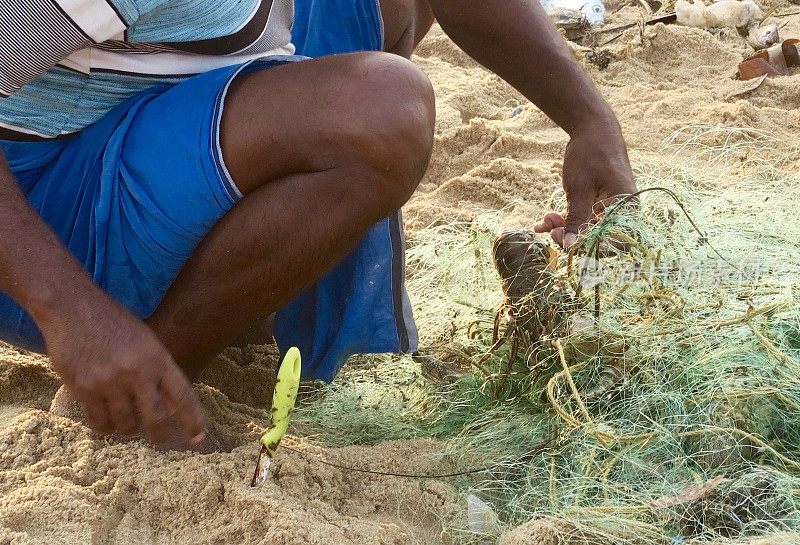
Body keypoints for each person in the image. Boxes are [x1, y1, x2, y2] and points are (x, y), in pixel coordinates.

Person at [0, 0, 633, 450]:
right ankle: (145, 389)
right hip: (46, 228)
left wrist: (589, 123)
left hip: (135, 150)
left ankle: (244, 301)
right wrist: (73, 315)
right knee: (382, 108)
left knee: (391, 9)